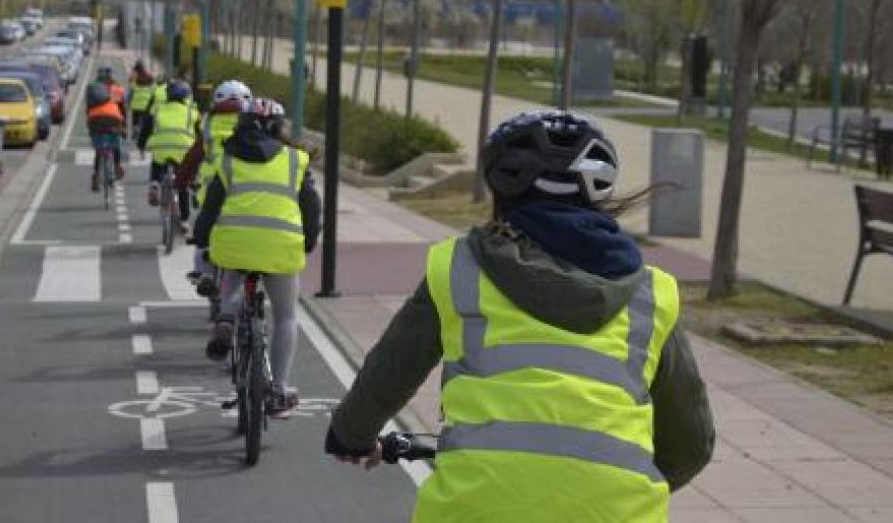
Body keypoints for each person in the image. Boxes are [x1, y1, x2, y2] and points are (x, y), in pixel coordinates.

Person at [323, 110, 715, 522]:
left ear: (501, 192)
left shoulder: (460, 268)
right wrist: (613, 485)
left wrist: (350, 436)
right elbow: (692, 445)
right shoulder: (649, 293)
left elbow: (390, 373)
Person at [192, 98, 321, 419]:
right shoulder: (296, 160)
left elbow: (210, 208)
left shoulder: (227, 160)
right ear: (278, 128)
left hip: (234, 244)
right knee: (286, 317)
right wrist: (309, 242)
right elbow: (312, 209)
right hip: (281, 247)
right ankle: (278, 389)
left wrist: (202, 240)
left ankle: (226, 317)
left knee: (233, 275)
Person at [176, 79, 253, 293]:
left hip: (211, 191)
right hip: (246, 193)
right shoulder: (254, 126)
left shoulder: (208, 125)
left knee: (202, 226)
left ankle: (203, 271)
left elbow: (192, 159)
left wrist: (180, 181)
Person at [138, 79, 198, 233]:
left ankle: (154, 183)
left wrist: (141, 145)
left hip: (160, 148)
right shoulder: (191, 111)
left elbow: (145, 129)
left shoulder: (157, 109)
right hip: (183, 151)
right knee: (182, 185)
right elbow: (199, 133)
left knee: (157, 161)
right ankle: (184, 221)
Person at [86, 69, 127, 191]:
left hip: (95, 120)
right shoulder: (115, 88)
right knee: (116, 143)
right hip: (113, 119)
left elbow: (88, 109)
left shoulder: (93, 89)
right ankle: (117, 165)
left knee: (99, 151)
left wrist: (90, 126)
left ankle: (95, 176)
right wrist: (123, 127)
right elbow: (122, 109)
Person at [128, 61, 156, 136]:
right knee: (145, 119)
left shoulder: (135, 80)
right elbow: (154, 87)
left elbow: (130, 85)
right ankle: (144, 131)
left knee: (135, 119)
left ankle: (135, 129)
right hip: (146, 105)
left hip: (136, 105)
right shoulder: (149, 78)